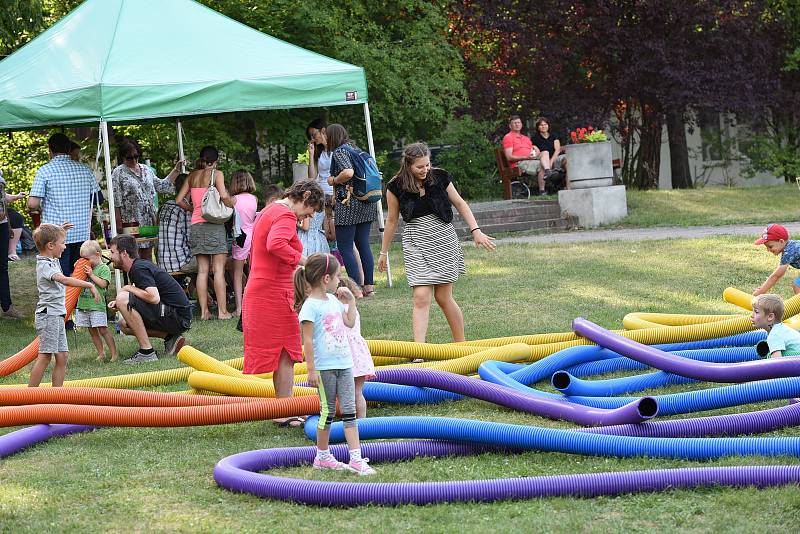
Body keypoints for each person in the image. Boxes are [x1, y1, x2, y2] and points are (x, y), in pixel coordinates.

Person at [379, 142, 497, 343]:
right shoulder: (395, 186)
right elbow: (391, 220)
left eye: (427, 165)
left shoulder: (440, 176)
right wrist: (383, 252)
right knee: (421, 296)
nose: (425, 170)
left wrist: (476, 231)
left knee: (443, 297)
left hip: (442, 238)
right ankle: (419, 351)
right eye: (419, 167)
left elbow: (460, 203)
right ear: (408, 165)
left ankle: (461, 344)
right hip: (415, 240)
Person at [242, 180, 323, 427]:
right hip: (271, 291)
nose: (308, 216)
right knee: (286, 352)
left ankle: (283, 408)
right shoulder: (286, 214)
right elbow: (275, 244)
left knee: (283, 353)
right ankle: (284, 410)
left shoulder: (270, 209)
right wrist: (305, 261)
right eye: (310, 209)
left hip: (262, 287)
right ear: (305, 195)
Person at [294, 252, 376, 475]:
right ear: (326, 279)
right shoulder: (310, 307)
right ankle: (322, 456)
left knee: (349, 411)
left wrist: (350, 302)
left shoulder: (333, 301)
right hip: (325, 368)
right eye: (338, 276)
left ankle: (356, 459)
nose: (340, 280)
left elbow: (349, 323)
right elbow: (308, 340)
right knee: (327, 412)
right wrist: (311, 370)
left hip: (345, 364)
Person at [30, 224, 100, 387]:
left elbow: (48, 239)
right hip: (48, 316)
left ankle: (57, 396)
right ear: (50, 246)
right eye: (62, 242)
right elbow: (65, 280)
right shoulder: (45, 265)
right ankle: (28, 397)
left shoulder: (52, 259)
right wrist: (89, 285)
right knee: (45, 356)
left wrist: (60, 231)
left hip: (57, 315)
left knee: (62, 356)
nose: (65, 246)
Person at [108, 234, 191, 364]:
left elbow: (153, 297)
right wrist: (121, 301)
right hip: (177, 315)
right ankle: (170, 338)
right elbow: (143, 295)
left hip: (177, 316)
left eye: (112, 252)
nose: (110, 257)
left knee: (123, 298)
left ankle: (147, 352)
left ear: (124, 253)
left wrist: (128, 289)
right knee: (123, 325)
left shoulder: (138, 268)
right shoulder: (137, 267)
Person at [28, 133, 100, 280]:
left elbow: (32, 204)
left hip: (57, 235)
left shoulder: (45, 171)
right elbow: (98, 198)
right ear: (68, 148)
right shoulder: (85, 169)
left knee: (61, 278)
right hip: (81, 232)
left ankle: (64, 303)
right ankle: (78, 303)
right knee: (79, 275)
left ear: (50, 150)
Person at [175, 145, 235, 320]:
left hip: (196, 225)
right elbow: (223, 196)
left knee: (202, 271)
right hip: (213, 225)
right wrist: (232, 203)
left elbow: (179, 200)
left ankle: (204, 312)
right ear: (216, 160)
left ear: (202, 159)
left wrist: (193, 208)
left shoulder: (192, 176)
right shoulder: (217, 174)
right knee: (218, 270)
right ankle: (223, 312)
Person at [112, 139, 184, 260]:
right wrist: (119, 223)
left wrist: (176, 170)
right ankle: (136, 279)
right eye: (129, 157)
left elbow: (162, 186)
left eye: (136, 156)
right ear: (122, 157)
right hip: (131, 222)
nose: (134, 160)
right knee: (132, 257)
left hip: (149, 220)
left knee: (147, 257)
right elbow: (116, 200)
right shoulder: (118, 173)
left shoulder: (146, 169)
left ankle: (147, 279)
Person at [326, 124, 376, 296]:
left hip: (348, 204)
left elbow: (348, 172)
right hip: (366, 202)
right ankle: (369, 286)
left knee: (345, 246)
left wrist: (333, 180)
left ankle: (355, 289)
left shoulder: (340, 151)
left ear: (332, 136)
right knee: (363, 245)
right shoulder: (355, 149)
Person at [76, 240, 118, 363]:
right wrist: (77, 269)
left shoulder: (103, 268)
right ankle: (101, 353)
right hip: (84, 305)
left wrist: (91, 275)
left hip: (97, 306)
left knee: (103, 330)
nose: (85, 261)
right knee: (92, 331)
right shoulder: (85, 268)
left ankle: (114, 354)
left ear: (98, 254)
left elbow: (103, 284)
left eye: (87, 259)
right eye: (82, 259)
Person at [338, 276, 374, 418]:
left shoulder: (337, 311)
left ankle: (349, 420)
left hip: (345, 356)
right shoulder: (353, 309)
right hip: (359, 356)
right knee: (358, 392)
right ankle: (362, 420)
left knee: (344, 393)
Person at [229, 169, 258, 317]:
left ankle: (240, 307)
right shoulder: (254, 199)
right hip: (254, 234)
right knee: (254, 271)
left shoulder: (233, 200)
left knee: (237, 274)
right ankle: (255, 303)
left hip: (241, 236)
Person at [156, 173, 197, 274]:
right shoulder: (185, 209)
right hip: (180, 262)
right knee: (210, 262)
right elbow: (191, 240)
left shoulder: (166, 205)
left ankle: (191, 289)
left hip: (163, 263)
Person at [0, 171, 26, 319]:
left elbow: (3, 198)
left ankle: (7, 306)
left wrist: (16, 197)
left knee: (2, 267)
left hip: (2, 225)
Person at [502, 115, 545, 196]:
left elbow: (534, 152)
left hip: (530, 160)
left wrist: (535, 148)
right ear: (510, 126)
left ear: (521, 124)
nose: (517, 124)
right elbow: (509, 157)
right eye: (514, 123)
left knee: (545, 153)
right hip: (518, 164)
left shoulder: (526, 138)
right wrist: (526, 157)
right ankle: (542, 191)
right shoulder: (508, 137)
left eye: (518, 122)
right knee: (543, 165)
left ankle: (549, 171)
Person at [753, 223, 800, 296]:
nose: (768, 250)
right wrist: (762, 288)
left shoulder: (789, 252)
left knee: (797, 285)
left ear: (781, 241)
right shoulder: (791, 246)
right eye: (767, 247)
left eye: (770, 246)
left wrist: (761, 291)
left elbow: (776, 276)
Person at [532, 116, 568, 190]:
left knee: (567, 161)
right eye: (541, 125)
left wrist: (551, 162)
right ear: (538, 127)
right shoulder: (534, 139)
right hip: (544, 160)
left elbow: (557, 150)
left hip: (555, 157)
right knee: (542, 164)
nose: (543, 126)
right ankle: (542, 190)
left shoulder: (554, 135)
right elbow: (537, 152)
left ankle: (568, 187)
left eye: (545, 124)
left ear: (548, 126)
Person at [306, 119, 334, 198]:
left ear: (323, 130)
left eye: (314, 134)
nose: (312, 139)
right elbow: (311, 178)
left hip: (335, 192)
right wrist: (311, 155)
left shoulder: (337, 149)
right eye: (310, 136)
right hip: (321, 194)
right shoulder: (318, 151)